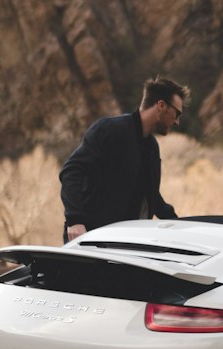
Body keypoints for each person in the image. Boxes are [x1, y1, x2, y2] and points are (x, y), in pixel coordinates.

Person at [59, 76, 189, 241]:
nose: (177, 122)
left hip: (125, 245)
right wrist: (75, 220)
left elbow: (152, 196)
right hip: (88, 241)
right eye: (176, 113)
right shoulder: (110, 129)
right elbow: (72, 172)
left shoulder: (152, 148)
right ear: (161, 106)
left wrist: (180, 227)